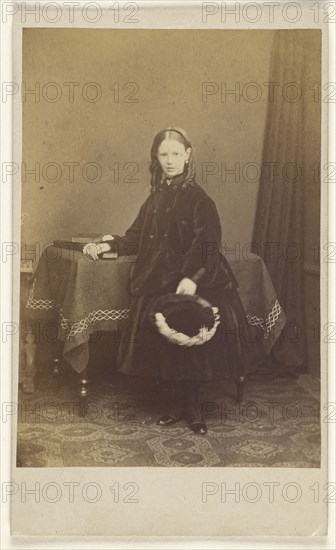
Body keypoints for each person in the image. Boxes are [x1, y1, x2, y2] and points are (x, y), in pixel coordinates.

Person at [83, 127, 262, 434]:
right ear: (156, 156)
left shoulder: (199, 199)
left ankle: (193, 409)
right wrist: (106, 244)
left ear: (188, 155)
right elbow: (135, 237)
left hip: (195, 281)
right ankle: (174, 404)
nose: (170, 161)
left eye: (176, 154)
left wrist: (192, 279)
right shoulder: (154, 199)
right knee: (167, 344)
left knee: (192, 345)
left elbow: (208, 243)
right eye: (164, 154)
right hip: (160, 279)